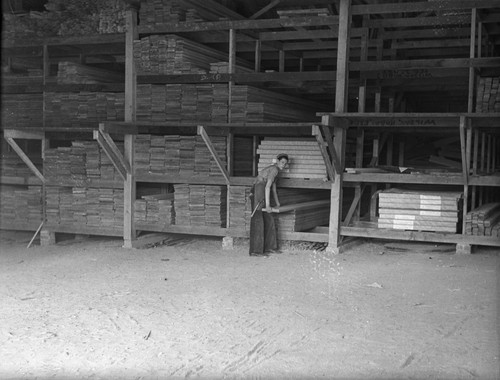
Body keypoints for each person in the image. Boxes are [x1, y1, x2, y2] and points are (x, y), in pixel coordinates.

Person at [249, 153, 289, 257]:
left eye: (285, 163)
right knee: (258, 220)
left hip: (263, 190)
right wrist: (267, 205)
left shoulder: (276, 172)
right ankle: (256, 251)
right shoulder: (274, 169)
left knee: (269, 219)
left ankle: (270, 247)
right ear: (278, 161)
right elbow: (267, 187)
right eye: (282, 162)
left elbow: (273, 189)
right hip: (258, 189)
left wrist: (277, 203)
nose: (283, 165)